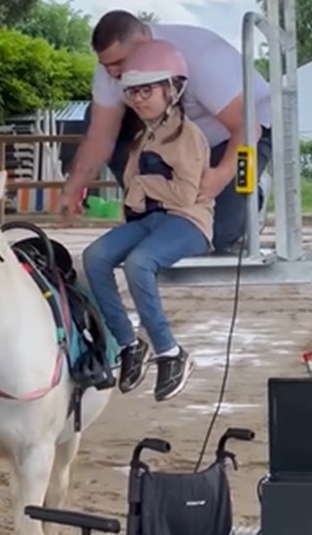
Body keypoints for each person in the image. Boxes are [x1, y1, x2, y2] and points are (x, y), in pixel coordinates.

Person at [59, 9, 273, 255]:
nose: (113, 74)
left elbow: (247, 126)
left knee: (218, 234)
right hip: (175, 134)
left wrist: (221, 176)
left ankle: (253, 196)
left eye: (118, 63)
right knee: (95, 116)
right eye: (105, 65)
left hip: (239, 132)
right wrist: (73, 187)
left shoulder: (201, 58)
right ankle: (148, 212)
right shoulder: (111, 70)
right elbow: (100, 135)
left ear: (144, 43)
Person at [81, 39, 212, 403]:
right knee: (94, 257)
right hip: (152, 219)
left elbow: (185, 196)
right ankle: (127, 342)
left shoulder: (188, 136)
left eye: (147, 89)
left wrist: (142, 183)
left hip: (187, 221)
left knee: (140, 262)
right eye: (132, 91)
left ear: (173, 88)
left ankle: (170, 352)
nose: (138, 99)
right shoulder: (145, 134)